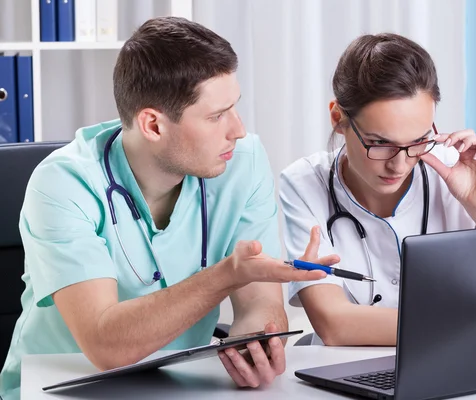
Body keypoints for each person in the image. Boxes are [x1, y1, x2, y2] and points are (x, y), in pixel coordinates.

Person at [0, 17, 336, 400]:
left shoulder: (242, 162)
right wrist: (227, 275)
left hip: (177, 386)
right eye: (216, 116)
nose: (238, 130)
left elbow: (258, 302)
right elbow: (105, 344)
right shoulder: (63, 183)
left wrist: (256, 342)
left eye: (234, 108)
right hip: (57, 389)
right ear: (153, 126)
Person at [279, 33, 476, 346]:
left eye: (417, 141)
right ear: (338, 119)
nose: (399, 164)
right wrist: (475, 320)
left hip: (461, 363)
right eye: (380, 143)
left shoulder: (464, 170)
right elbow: (334, 325)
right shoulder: (303, 183)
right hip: (345, 372)